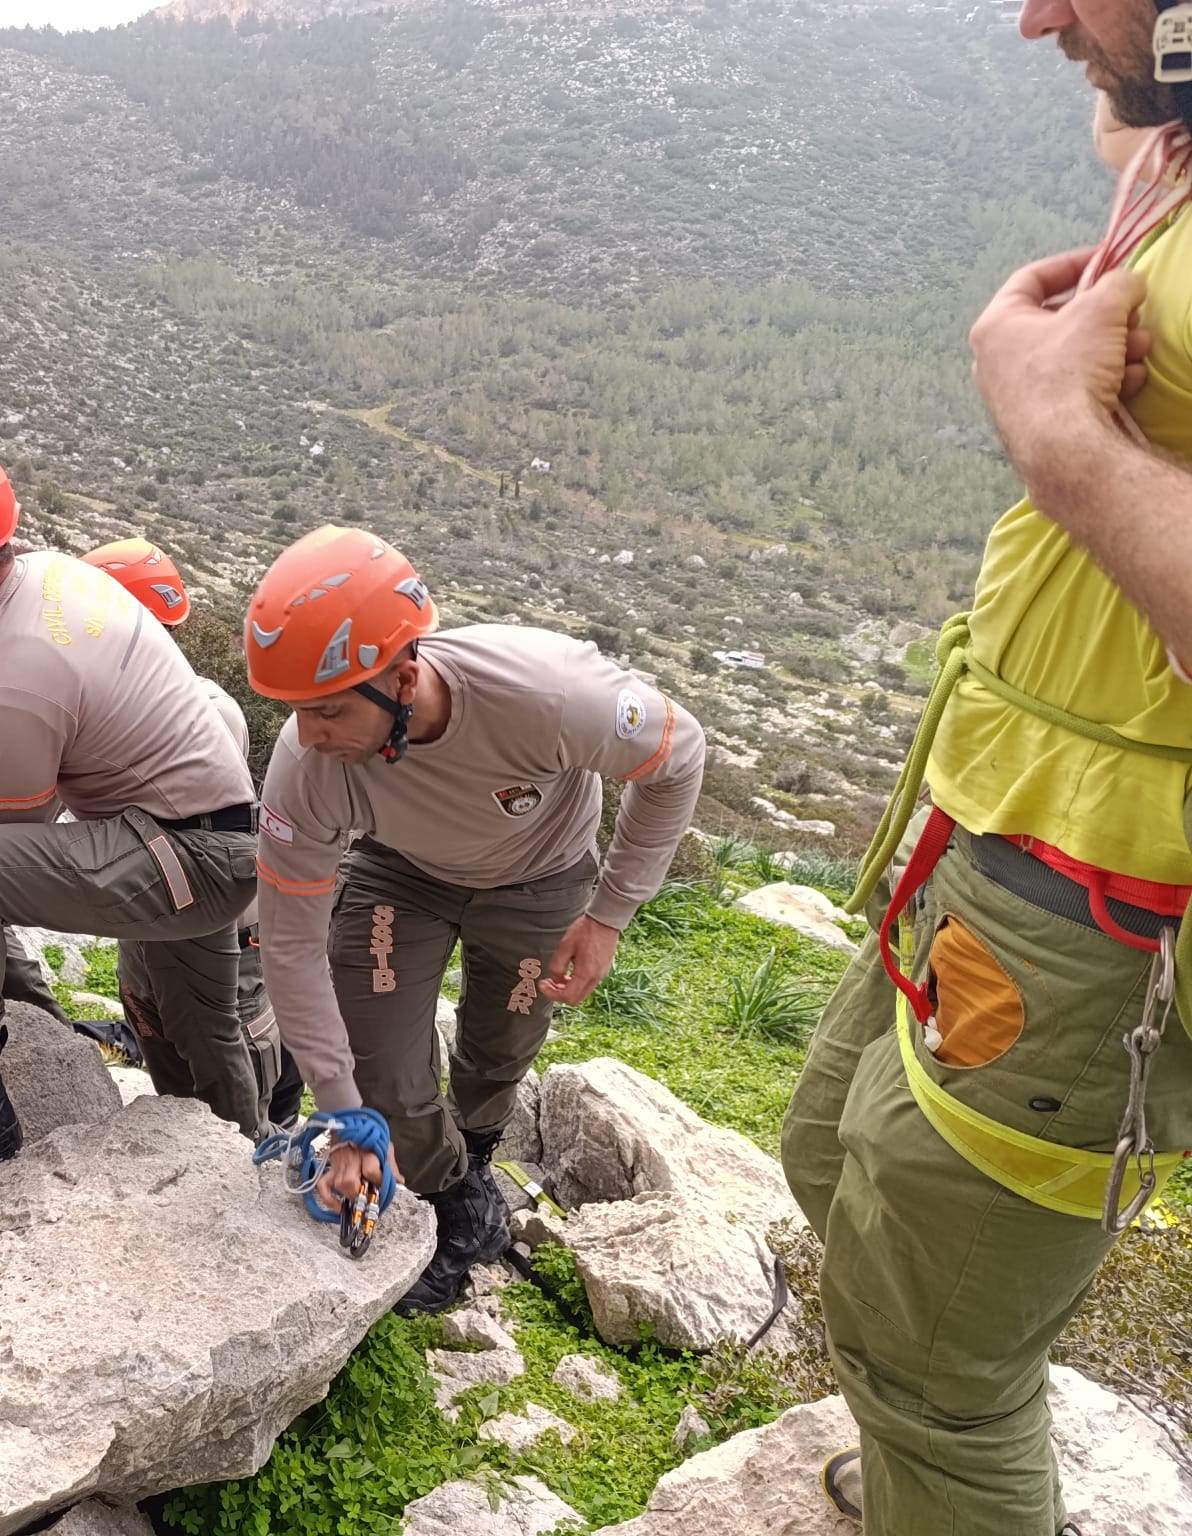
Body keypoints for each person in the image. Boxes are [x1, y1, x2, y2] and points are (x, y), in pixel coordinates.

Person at [779, 0, 1192, 1525]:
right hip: (1004, 824)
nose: (1031, 17)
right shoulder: (1169, 118)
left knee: (938, 1366)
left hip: (1111, 889)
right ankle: (923, 1468)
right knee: (828, 1149)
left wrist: (1064, 444)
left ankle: (940, 1469)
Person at [245, 526, 704, 1314]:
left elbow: (680, 752)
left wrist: (610, 915)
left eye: (325, 712)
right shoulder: (306, 766)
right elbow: (289, 947)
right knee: (380, 1062)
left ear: (403, 673)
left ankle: (481, 1149)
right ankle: (455, 1197)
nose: (308, 737)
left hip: (542, 875)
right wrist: (344, 1108)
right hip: (401, 874)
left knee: (499, 1048)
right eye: (294, 713)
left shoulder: (548, 694)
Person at [0, 434, 260, 1203]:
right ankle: (240, 1169)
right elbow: (21, 817)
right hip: (205, 838)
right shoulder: (50, 578)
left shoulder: (14, 676)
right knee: (198, 1028)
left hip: (177, 852)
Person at [80, 536, 286, 1128]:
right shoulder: (105, 708)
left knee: (221, 1053)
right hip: (147, 917)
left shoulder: (206, 711)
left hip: (214, 927)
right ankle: (186, 1154)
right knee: (160, 1036)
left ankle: (244, 1159)